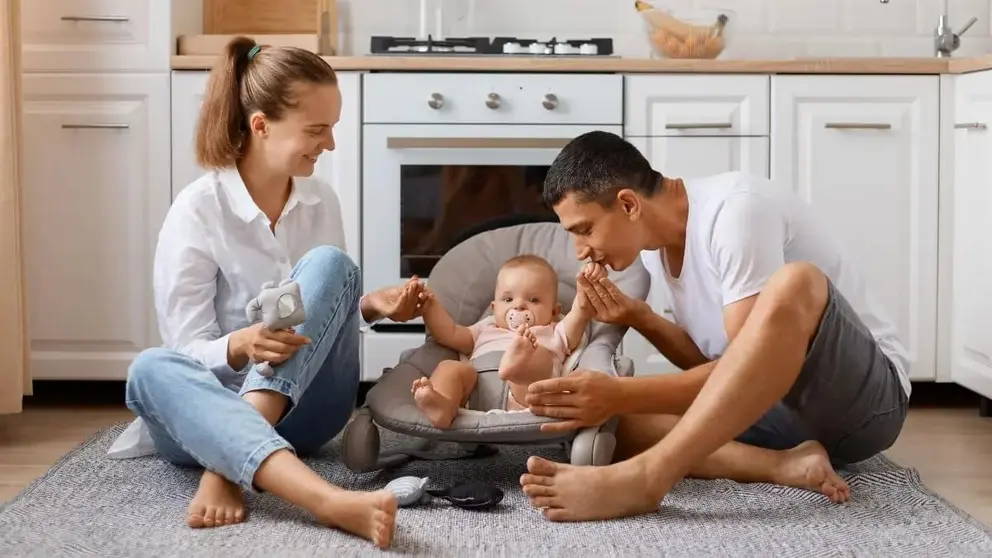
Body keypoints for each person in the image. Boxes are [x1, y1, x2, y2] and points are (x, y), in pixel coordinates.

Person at [118, 37, 428, 548]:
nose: (329, 144)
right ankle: (326, 500)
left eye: (332, 128)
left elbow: (323, 323)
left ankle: (226, 468)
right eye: (316, 129)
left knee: (331, 263)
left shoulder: (320, 199)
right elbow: (188, 351)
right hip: (204, 418)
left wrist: (368, 305)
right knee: (150, 368)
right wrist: (242, 344)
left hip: (307, 414)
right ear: (260, 125)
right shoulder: (197, 210)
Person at [518, 130, 910, 522]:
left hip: (864, 408)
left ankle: (649, 477)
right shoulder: (655, 253)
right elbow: (729, 369)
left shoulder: (736, 211)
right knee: (614, 424)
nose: (581, 251)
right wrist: (638, 318)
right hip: (779, 415)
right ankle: (783, 465)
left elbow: (754, 371)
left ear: (628, 204)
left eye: (585, 229)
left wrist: (622, 392)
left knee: (796, 282)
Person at [411, 255, 595, 427]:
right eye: (508, 299)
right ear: (494, 308)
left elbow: (578, 316)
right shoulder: (485, 327)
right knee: (450, 367)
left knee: (538, 358)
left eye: (533, 300)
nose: (519, 305)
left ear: (554, 311)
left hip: (528, 397)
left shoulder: (554, 330)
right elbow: (449, 333)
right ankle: (441, 404)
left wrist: (584, 294)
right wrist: (429, 308)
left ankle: (519, 364)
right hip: (477, 393)